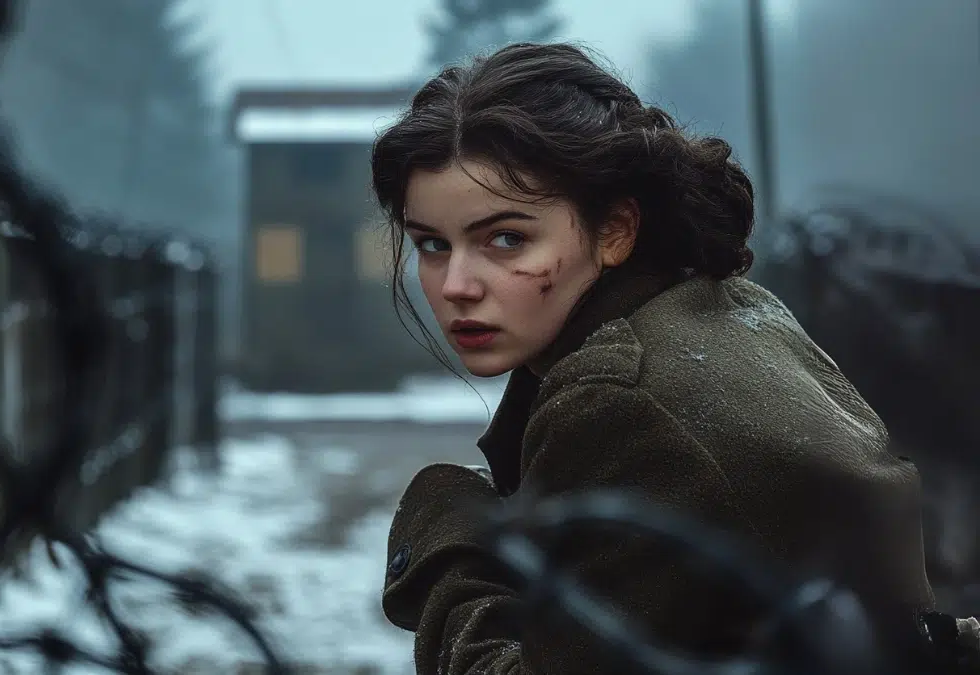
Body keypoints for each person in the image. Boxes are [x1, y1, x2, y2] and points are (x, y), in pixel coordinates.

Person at [369, 42, 936, 673]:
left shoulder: (623, 402)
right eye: (432, 245)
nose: (456, 286)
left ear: (615, 230)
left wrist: (447, 533)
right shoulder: (720, 310)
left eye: (506, 239)